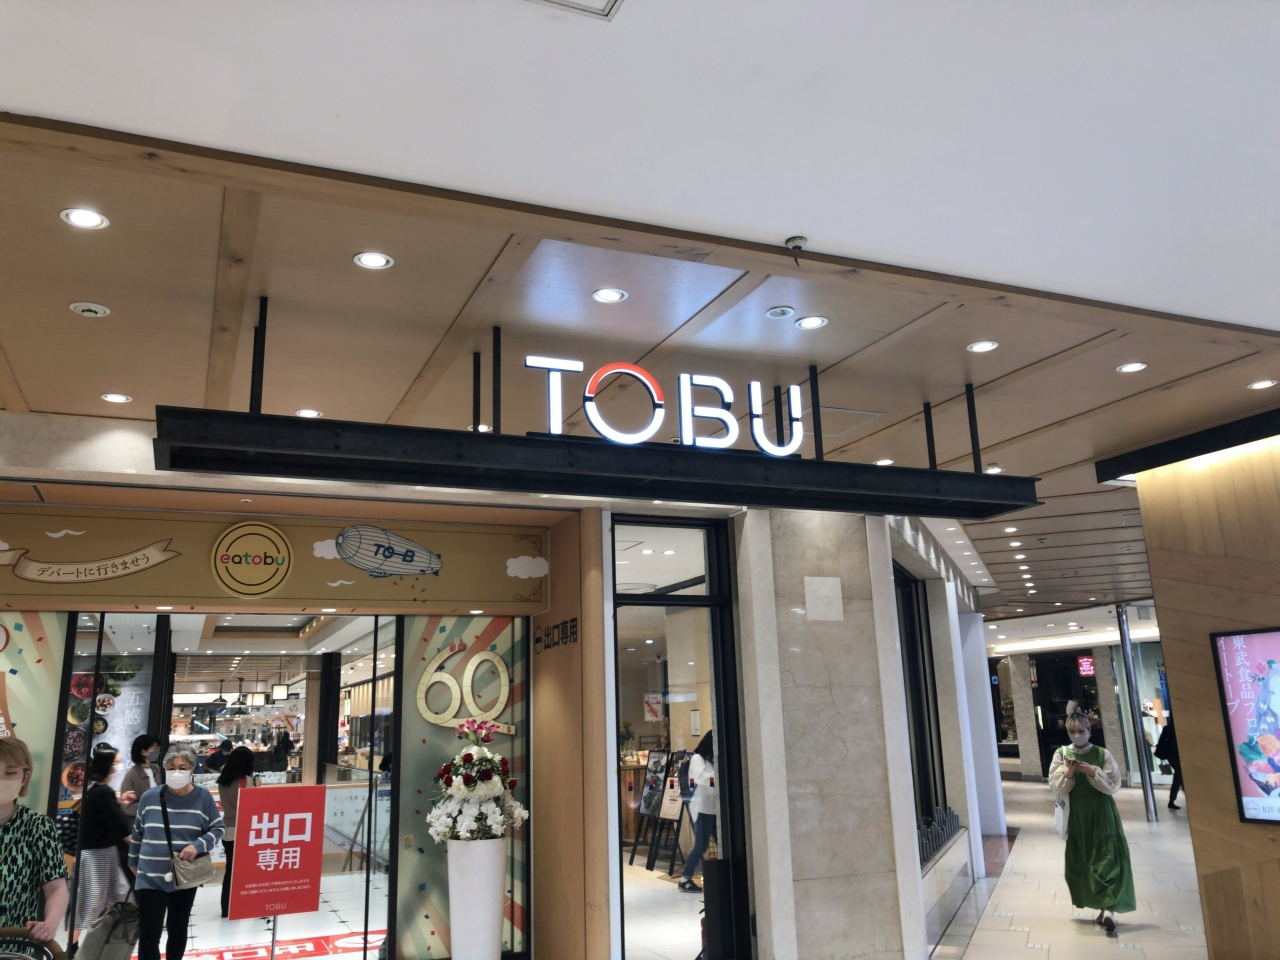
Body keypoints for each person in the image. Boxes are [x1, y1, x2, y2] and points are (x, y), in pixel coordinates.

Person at [129, 747, 224, 960]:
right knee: (149, 933)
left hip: (184, 875)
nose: (176, 772)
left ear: (191, 770)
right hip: (150, 875)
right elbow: (138, 832)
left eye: (182, 767)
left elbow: (218, 828)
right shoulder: (149, 797)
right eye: (171, 768)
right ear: (164, 769)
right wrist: (133, 863)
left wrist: (197, 846)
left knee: (178, 927)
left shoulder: (203, 797)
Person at [1048, 711, 1136, 933]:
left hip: (1102, 811)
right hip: (1076, 813)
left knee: (1106, 857)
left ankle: (1110, 908)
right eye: (1072, 731)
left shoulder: (1102, 754)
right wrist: (1069, 771)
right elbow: (1056, 786)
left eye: (1081, 730)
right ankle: (1102, 907)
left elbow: (1113, 784)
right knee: (1084, 859)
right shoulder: (1061, 754)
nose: (1077, 735)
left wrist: (1091, 771)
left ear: (1089, 730)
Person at [0, 737, 69, 950]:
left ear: (25, 777)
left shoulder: (37, 826)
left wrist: (49, 924)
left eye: (10, 773)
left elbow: (56, 888)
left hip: (13, 947)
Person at [73, 746, 133, 943]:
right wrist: (138, 847)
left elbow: (107, 817)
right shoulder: (104, 792)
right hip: (98, 856)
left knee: (94, 902)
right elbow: (120, 826)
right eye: (116, 762)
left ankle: (80, 946)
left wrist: (121, 803)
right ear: (107, 766)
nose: (119, 766)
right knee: (95, 903)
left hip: (96, 854)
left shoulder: (96, 790)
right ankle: (84, 946)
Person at [215, 747, 257, 919]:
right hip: (242, 829)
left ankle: (226, 907)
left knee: (230, 870)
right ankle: (247, 904)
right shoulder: (245, 780)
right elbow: (250, 804)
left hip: (227, 829)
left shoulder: (223, 779)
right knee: (248, 870)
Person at [678, 732, 718, 893]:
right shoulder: (697, 759)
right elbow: (703, 779)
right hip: (701, 808)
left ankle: (723, 874)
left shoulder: (711, 760)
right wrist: (719, 773)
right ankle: (685, 878)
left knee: (720, 842)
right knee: (701, 845)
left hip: (713, 808)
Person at [120, 736, 163, 823]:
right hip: (140, 822)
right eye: (155, 748)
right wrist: (149, 806)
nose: (158, 752)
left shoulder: (156, 768)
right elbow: (127, 807)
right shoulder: (132, 775)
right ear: (143, 752)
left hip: (157, 818)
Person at [1154, 719, 1182, 810]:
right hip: (1176, 756)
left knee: (1178, 777)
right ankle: (1172, 800)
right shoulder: (1177, 729)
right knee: (1179, 777)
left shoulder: (1168, 728)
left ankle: (1172, 800)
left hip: (1171, 757)